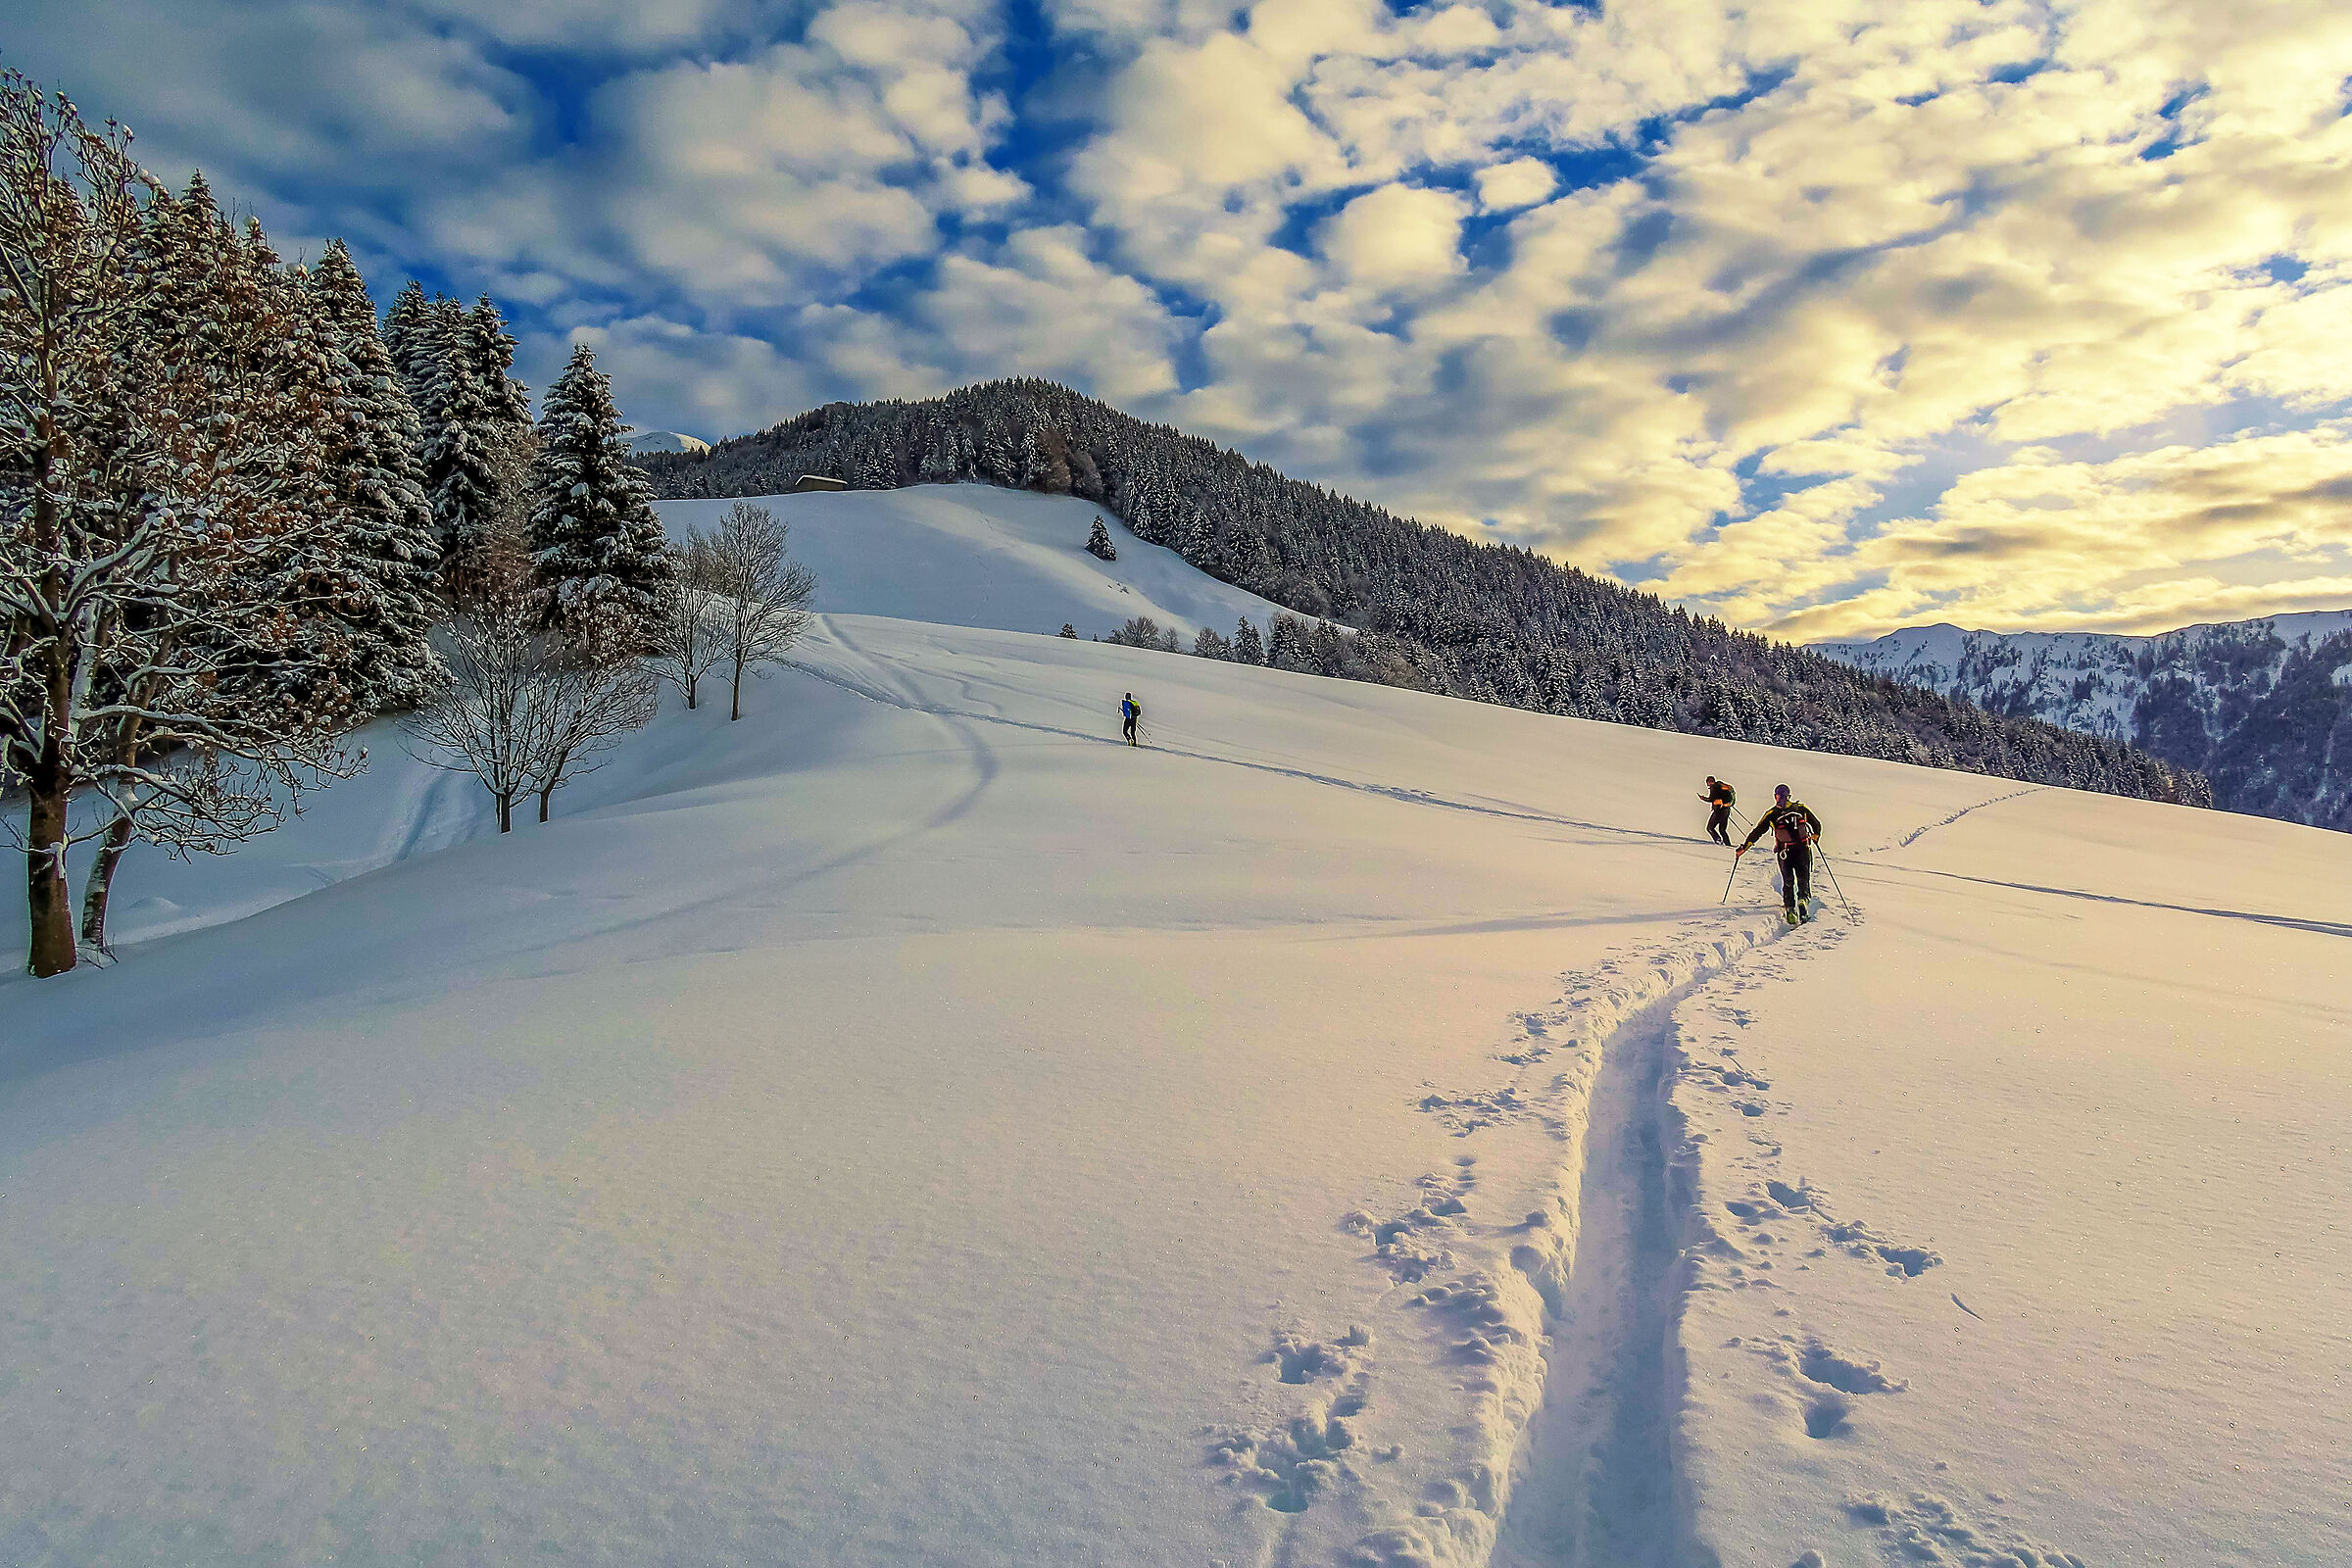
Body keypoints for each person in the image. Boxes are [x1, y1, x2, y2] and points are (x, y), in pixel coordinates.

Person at [1738, 784, 1824, 924]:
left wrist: (1744, 847)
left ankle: (1790, 908)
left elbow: (1758, 831)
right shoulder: (1800, 809)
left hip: (1784, 852)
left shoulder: (1772, 813)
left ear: (1775, 796)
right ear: (1789, 795)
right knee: (1803, 879)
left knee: (1788, 881)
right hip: (1802, 849)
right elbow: (1817, 824)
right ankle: (1803, 901)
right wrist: (1815, 836)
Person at [1700, 775, 1737, 845]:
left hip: (1718, 811)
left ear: (1708, 782)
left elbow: (1711, 799)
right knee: (1722, 830)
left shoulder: (1714, 787)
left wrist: (1703, 798)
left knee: (1710, 828)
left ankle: (1718, 841)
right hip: (1726, 810)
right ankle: (1728, 844)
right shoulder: (1721, 785)